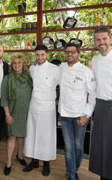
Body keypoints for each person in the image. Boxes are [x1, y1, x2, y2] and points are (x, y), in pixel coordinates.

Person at [58, 43, 96, 180]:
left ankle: (74, 170)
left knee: (78, 147)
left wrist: (87, 115)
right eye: (67, 52)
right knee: (69, 148)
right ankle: (71, 175)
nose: (69, 54)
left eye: (73, 52)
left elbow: (93, 95)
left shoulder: (86, 71)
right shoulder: (61, 68)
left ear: (78, 54)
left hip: (80, 116)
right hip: (64, 116)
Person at [23, 45, 59, 176]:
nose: (40, 57)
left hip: (48, 107)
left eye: (42, 55)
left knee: (46, 136)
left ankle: (46, 163)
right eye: (37, 55)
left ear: (47, 55)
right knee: (32, 134)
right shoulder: (32, 68)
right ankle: (34, 161)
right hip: (34, 106)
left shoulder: (55, 69)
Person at [1, 54, 32, 175]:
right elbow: (3, 98)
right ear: (11, 65)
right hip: (12, 112)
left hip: (26, 112)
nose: (17, 65)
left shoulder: (29, 77)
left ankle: (20, 155)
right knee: (12, 136)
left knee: (21, 136)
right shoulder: (7, 78)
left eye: (19, 62)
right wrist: (7, 114)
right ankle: (8, 161)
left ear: (23, 64)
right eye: (14, 63)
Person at [89, 27, 112, 180]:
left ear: (111, 39)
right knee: (102, 145)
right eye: (98, 40)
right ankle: (104, 175)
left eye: (104, 39)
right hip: (100, 106)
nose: (101, 42)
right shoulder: (95, 60)